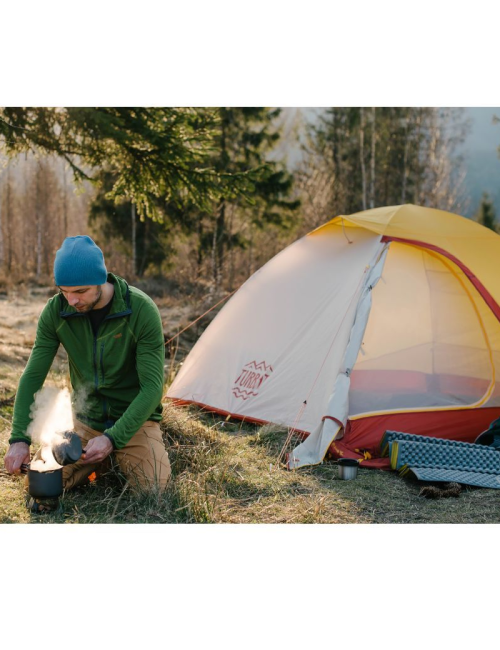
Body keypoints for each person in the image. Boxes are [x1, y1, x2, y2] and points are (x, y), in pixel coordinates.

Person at [4, 235, 171, 494]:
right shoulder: (55, 312)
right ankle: (101, 464)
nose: (72, 301)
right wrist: (19, 439)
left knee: (153, 491)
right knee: (39, 483)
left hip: (135, 420)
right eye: (64, 291)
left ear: (100, 280)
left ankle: (116, 456)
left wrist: (113, 438)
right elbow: (32, 376)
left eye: (80, 292)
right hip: (85, 423)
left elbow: (152, 389)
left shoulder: (140, 310)